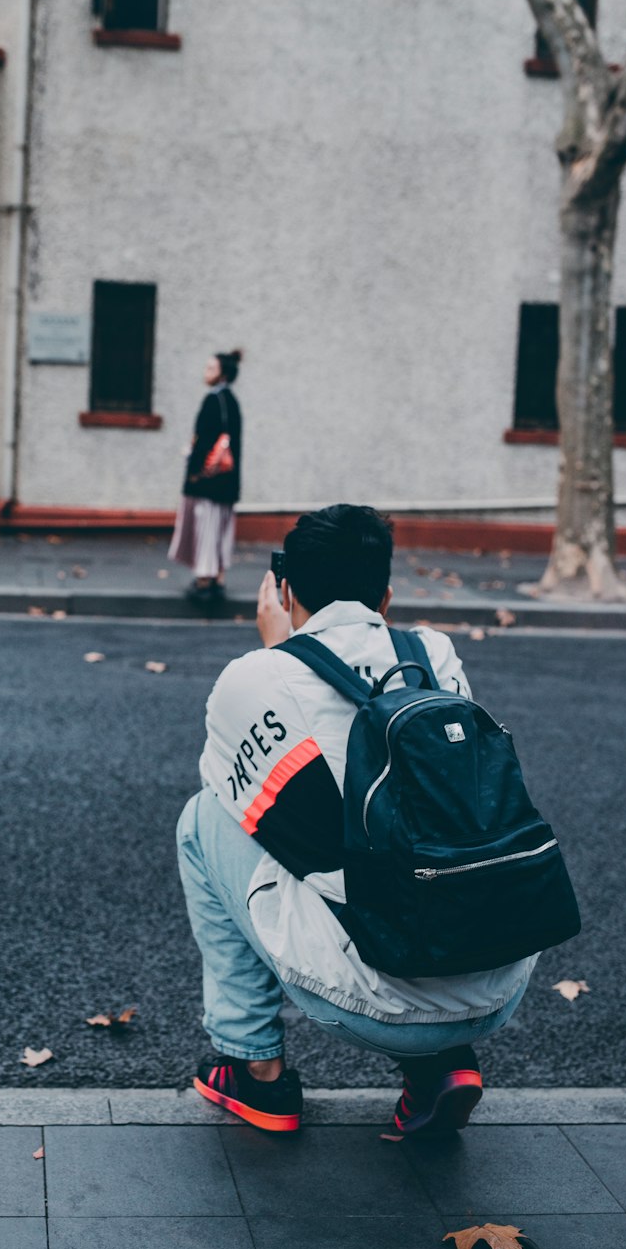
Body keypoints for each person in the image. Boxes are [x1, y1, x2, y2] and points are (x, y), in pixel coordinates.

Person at [176, 504, 536, 1137]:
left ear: (285, 590)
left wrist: (280, 652)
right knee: (418, 844)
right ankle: (438, 1068)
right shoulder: (434, 655)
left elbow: (249, 808)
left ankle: (254, 1070)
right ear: (387, 596)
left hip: (379, 1001)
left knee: (205, 817)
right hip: (495, 978)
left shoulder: (255, 675)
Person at [168, 350, 243, 605]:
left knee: (206, 531)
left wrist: (194, 467)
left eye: (210, 369)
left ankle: (203, 581)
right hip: (226, 483)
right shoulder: (231, 401)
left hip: (208, 484)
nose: (205, 373)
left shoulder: (213, 401)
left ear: (222, 373)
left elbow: (203, 442)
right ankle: (218, 578)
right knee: (220, 530)